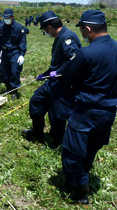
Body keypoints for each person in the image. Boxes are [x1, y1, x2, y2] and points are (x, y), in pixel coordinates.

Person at [60, 10, 117, 204]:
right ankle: (83, 176)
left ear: (88, 29)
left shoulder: (86, 53)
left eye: (82, 29)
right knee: (91, 148)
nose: (81, 32)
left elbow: (69, 78)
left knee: (72, 152)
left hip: (86, 111)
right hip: (108, 111)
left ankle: (80, 193)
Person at [23, 11, 81, 148]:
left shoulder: (68, 37)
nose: (45, 33)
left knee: (57, 112)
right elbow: (57, 62)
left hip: (64, 82)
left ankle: (57, 140)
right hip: (53, 80)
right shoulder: (59, 36)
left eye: (44, 30)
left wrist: (58, 72)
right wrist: (45, 74)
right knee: (36, 101)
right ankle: (37, 133)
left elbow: (74, 59)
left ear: (48, 27)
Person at [0, 9, 27, 100]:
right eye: (5, 18)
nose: (6, 19)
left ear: (12, 17)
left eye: (8, 18)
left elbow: (22, 42)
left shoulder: (19, 28)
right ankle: (8, 88)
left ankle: (14, 91)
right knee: (4, 73)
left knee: (14, 71)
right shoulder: (1, 28)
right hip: (4, 52)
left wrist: (22, 54)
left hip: (15, 52)